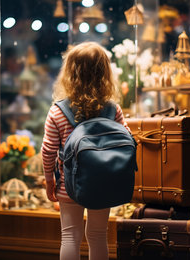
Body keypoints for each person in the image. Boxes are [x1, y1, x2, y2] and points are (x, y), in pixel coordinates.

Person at [41, 42, 131, 260]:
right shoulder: (112, 109)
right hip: (103, 182)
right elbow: (128, 139)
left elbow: (48, 151)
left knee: (70, 236)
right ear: (105, 73)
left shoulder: (58, 111)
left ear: (70, 72)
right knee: (98, 235)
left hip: (68, 185)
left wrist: (49, 181)